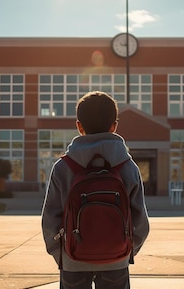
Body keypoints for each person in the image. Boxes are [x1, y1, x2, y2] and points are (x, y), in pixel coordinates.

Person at [41, 91, 150, 289]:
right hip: (116, 257)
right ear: (114, 126)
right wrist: (126, 252)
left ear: (79, 126)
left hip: (72, 258)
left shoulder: (63, 167)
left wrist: (62, 255)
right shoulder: (127, 166)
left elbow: (50, 219)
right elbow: (140, 221)